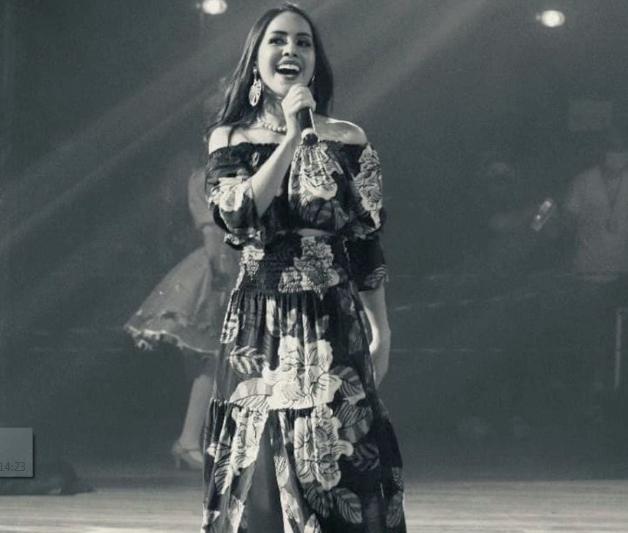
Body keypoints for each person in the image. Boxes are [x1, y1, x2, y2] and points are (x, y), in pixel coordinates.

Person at [201, 4, 405, 532]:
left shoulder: (350, 139)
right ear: (255, 59)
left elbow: (366, 242)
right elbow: (239, 216)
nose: (290, 49)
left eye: (303, 42)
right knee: (258, 468)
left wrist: (381, 328)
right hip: (259, 322)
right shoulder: (230, 139)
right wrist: (292, 136)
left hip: (331, 316)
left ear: (316, 61)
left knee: (337, 457)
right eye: (277, 40)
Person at [125, 167, 238, 469]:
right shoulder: (205, 177)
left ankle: (196, 440)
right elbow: (211, 230)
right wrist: (218, 274)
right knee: (215, 354)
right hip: (221, 266)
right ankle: (189, 440)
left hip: (235, 262)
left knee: (219, 356)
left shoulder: (233, 171)